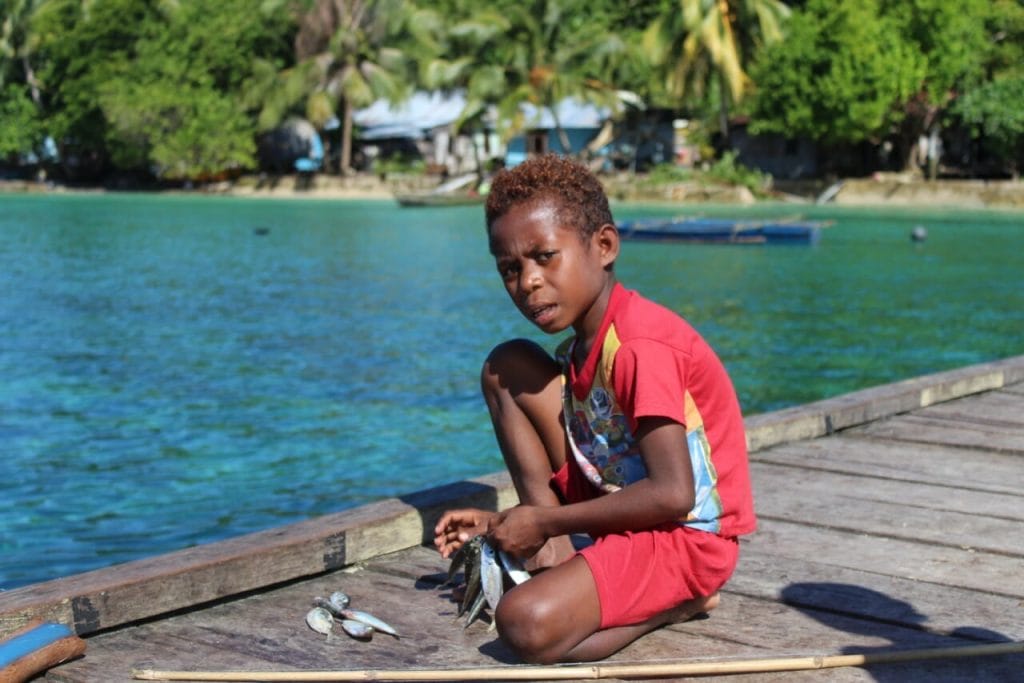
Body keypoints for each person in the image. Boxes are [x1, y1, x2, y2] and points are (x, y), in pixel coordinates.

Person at [433, 154, 756, 664]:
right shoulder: (583, 344)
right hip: (619, 493)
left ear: (603, 246)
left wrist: (543, 520)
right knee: (507, 365)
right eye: (510, 269)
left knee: (523, 623)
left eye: (545, 257)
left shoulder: (639, 346)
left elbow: (674, 494)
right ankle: (552, 550)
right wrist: (511, 523)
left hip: (686, 540)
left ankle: (678, 604)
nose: (528, 282)